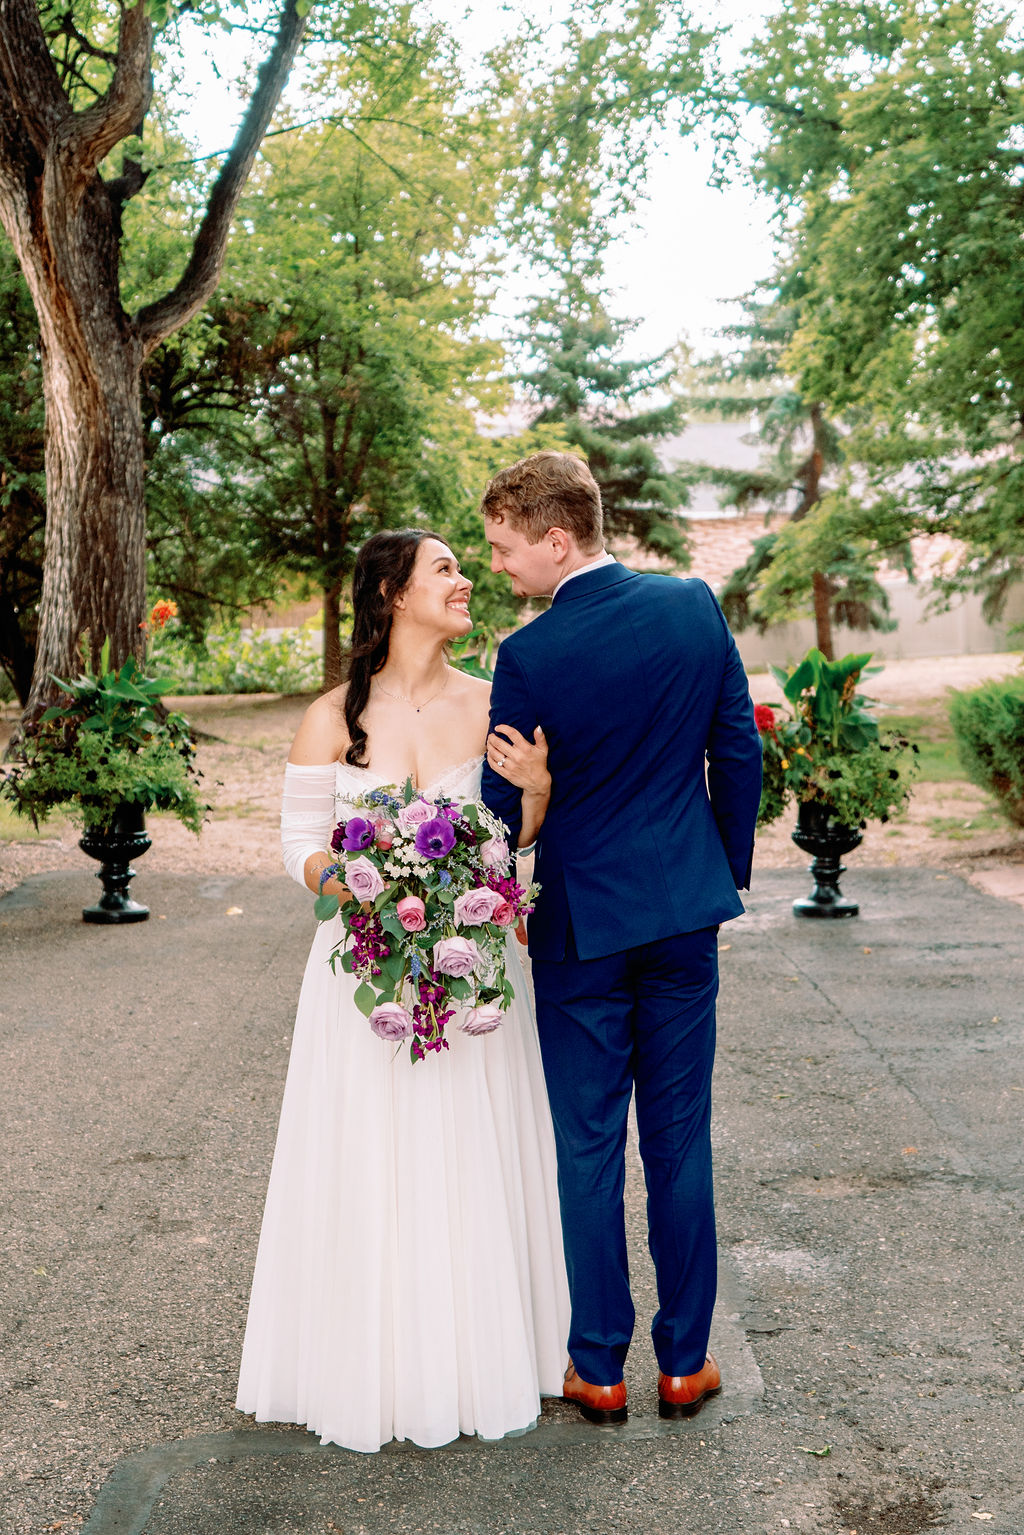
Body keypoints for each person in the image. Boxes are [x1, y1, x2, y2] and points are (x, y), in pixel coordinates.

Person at [236, 529, 569, 1453]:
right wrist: (352, 883)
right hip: (365, 978)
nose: (467, 580)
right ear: (392, 592)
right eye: (447, 569)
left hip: (476, 974)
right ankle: (367, 1363)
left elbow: (520, 847)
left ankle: (486, 1349)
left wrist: (536, 795)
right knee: (370, 1151)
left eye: (467, 565)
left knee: (473, 1144)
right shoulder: (331, 716)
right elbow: (296, 841)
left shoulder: (497, 701)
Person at [480, 451, 762, 1425]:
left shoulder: (527, 658)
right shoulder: (693, 606)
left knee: (588, 1144)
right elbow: (738, 747)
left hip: (581, 929)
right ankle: (685, 1361)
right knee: (679, 1138)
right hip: (686, 914)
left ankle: (597, 1367)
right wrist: (717, 874)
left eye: (506, 548)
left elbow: (497, 806)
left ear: (558, 538)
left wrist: (536, 802)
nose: (499, 568)